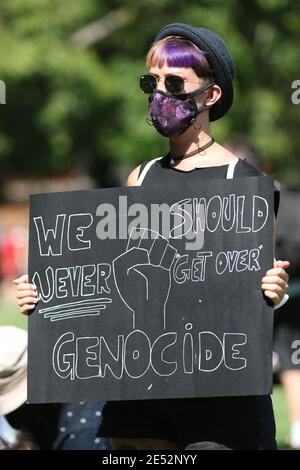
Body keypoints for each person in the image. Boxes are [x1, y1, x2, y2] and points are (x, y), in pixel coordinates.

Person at [15, 23, 290, 450]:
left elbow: (257, 288)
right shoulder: (140, 177)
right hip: (142, 386)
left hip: (221, 391)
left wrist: (275, 291)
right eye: (152, 81)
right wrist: (47, 293)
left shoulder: (247, 183)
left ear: (211, 96)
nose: (160, 94)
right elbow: (106, 272)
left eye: (174, 82)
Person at [224, 137, 300, 450]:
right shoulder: (293, 201)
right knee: (293, 361)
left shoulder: (231, 204)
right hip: (289, 291)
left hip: (280, 294)